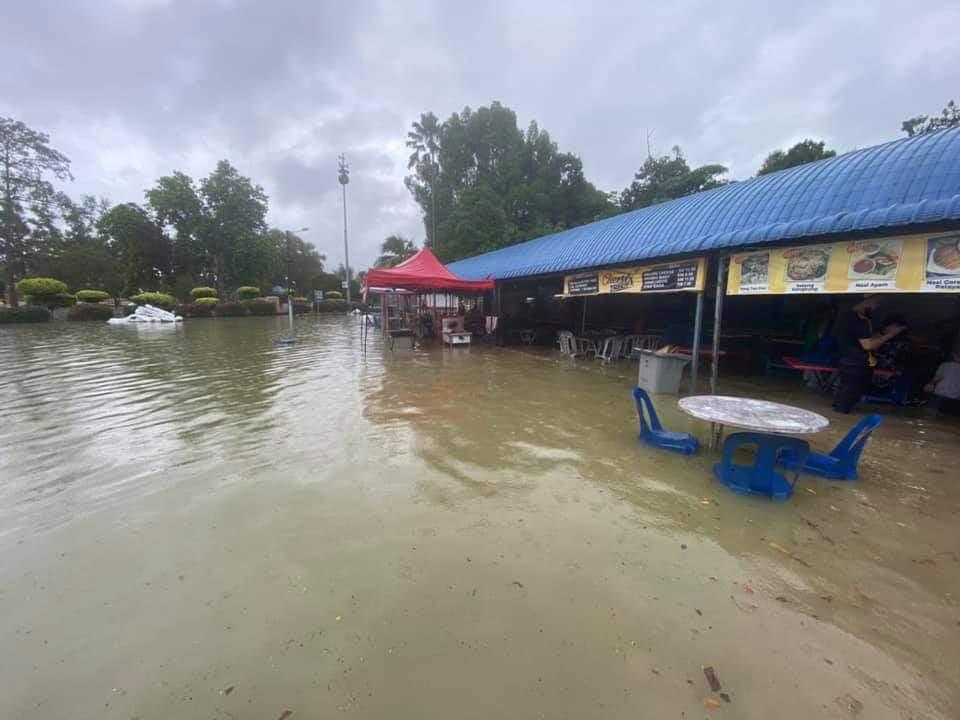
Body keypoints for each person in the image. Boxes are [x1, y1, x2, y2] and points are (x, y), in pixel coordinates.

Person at [832, 296, 907, 414]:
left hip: (847, 360)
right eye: (877, 301)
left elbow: (859, 339)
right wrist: (891, 334)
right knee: (849, 397)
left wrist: (881, 334)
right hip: (858, 363)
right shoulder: (859, 320)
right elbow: (868, 345)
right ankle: (841, 419)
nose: (877, 305)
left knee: (844, 395)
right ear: (866, 301)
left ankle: (838, 419)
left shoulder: (844, 317)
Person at [924, 350, 960, 416]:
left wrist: (930, 385)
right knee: (947, 420)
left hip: (938, 396)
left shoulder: (945, 365)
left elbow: (936, 378)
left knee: (929, 416)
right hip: (953, 400)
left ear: (955, 356)